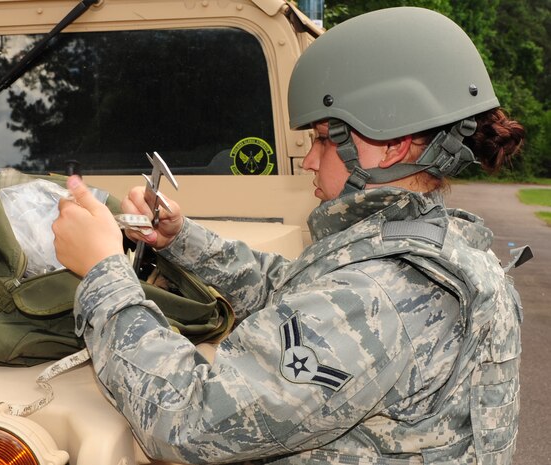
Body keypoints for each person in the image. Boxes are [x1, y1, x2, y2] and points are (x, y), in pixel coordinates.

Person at [53, 6, 526, 465]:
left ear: (391, 144)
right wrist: (180, 238)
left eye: (324, 138)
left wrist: (103, 274)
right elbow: (296, 288)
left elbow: (187, 421)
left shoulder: (379, 296)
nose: (310, 161)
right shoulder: (433, 242)